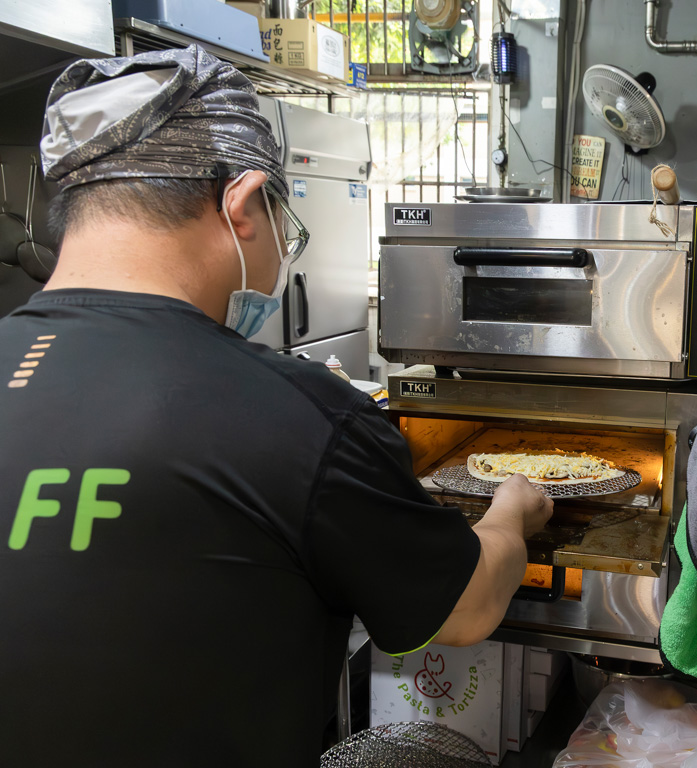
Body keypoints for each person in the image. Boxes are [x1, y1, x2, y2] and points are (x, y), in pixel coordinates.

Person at [0, 45, 552, 766]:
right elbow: (468, 607)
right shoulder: (300, 416)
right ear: (241, 202)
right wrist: (512, 509)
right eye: (282, 220)